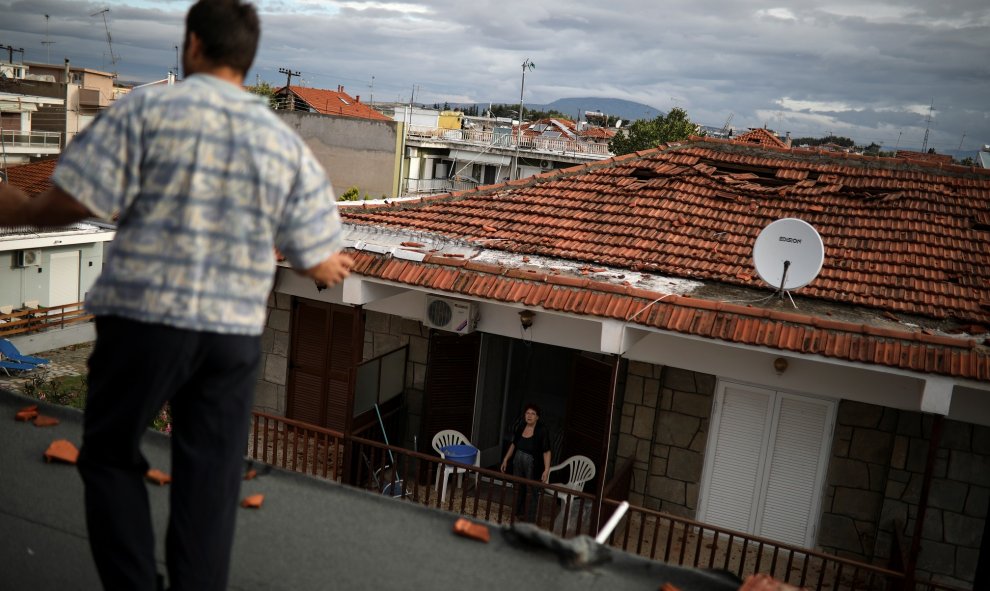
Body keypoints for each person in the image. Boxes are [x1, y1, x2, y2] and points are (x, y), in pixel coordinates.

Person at [0, 1, 353, 588]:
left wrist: (20, 207)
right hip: (231, 335)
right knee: (210, 480)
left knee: (111, 455)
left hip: (144, 322)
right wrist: (332, 264)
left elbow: (68, 204)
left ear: (192, 46)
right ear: (247, 60)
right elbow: (316, 260)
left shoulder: (145, 110)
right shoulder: (283, 141)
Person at [500, 403, 552, 522]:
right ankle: (518, 513)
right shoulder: (521, 426)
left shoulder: (542, 430)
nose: (529, 416)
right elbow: (514, 444)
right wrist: (505, 459)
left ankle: (529, 519)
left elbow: (546, 451)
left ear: (537, 417)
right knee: (518, 487)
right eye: (527, 413)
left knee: (532, 490)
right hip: (518, 460)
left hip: (533, 464)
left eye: (533, 414)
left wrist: (546, 469)